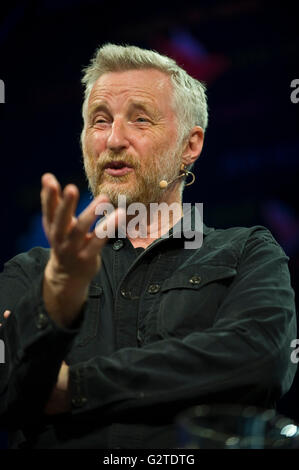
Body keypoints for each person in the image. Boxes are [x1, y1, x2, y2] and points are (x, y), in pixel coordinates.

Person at [0, 43, 297, 449]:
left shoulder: (248, 252)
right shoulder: (31, 271)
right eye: (99, 121)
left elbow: (261, 359)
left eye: (140, 120)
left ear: (190, 146)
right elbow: (6, 389)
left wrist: (75, 387)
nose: (114, 139)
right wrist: (55, 299)